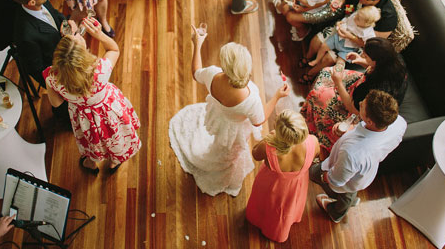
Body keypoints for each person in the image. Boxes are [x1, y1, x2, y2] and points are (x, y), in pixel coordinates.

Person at [169, 27, 290, 196]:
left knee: (220, 143)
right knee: (228, 150)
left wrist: (197, 44)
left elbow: (196, 73)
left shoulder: (212, 74)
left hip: (219, 117)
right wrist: (277, 96)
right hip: (234, 129)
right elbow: (259, 121)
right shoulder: (251, 100)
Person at [44, 18, 141, 175]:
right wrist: (99, 34)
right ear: (84, 55)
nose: (77, 35)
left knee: (92, 140)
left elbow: (56, 103)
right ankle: (115, 161)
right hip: (109, 111)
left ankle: (91, 162)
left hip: (84, 118)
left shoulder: (52, 77)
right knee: (115, 135)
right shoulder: (100, 70)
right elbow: (114, 50)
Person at [310, 89, 407, 223]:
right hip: (364, 172)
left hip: (347, 173)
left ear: (370, 121)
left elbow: (336, 180)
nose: (360, 102)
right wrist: (352, 130)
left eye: (362, 106)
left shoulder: (352, 153)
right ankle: (349, 200)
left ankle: (337, 212)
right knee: (351, 189)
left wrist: (324, 176)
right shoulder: (399, 123)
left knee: (316, 175)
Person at [302, 37, 408, 157]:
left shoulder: (372, 91)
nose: (362, 55)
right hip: (362, 85)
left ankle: (313, 122)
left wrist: (338, 83)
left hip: (361, 109)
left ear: (376, 61)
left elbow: (353, 109)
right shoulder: (396, 60)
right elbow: (376, 69)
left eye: (366, 56)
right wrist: (361, 61)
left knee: (318, 93)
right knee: (326, 72)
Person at [246, 110, 319, 242]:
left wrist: (268, 138)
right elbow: (316, 155)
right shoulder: (313, 142)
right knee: (286, 209)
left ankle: (260, 220)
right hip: (296, 185)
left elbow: (255, 154)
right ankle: (279, 231)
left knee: (266, 204)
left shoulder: (269, 147)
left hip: (271, 185)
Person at [307, 6, 381, 68]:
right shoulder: (356, 15)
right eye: (357, 14)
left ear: (367, 24)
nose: (355, 17)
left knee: (341, 61)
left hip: (349, 48)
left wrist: (350, 37)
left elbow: (367, 44)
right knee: (323, 46)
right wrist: (340, 24)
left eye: (358, 18)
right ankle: (316, 60)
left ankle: (337, 71)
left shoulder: (368, 33)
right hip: (338, 38)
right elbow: (346, 19)